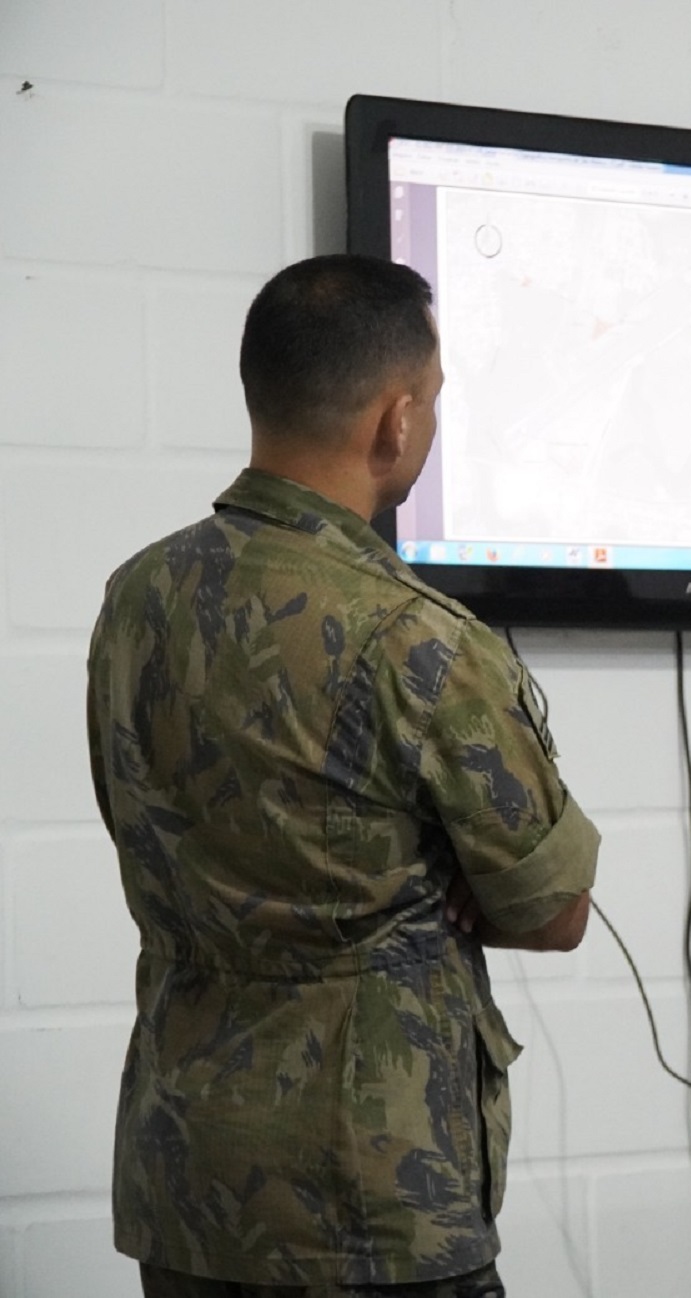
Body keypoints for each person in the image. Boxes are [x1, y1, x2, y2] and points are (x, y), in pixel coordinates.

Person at [86, 255, 601, 1296]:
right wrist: (433, 893)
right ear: (396, 419)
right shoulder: (417, 637)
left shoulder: (137, 597)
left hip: (187, 1185)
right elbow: (554, 909)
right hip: (370, 1198)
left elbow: (147, 827)